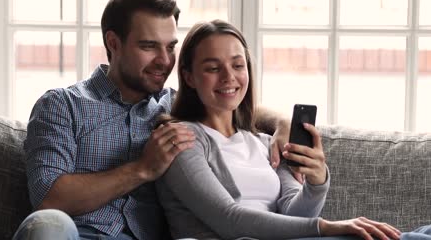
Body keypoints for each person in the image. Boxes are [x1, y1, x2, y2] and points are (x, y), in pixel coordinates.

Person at [12, 0, 291, 240]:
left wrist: (282, 123)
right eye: (148, 46)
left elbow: (230, 98)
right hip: (77, 234)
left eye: (170, 47)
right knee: (48, 223)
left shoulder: (175, 106)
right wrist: (142, 169)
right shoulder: (63, 105)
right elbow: (48, 196)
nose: (164, 60)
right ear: (113, 43)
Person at [155, 19, 431, 240]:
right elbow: (230, 220)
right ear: (189, 77)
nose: (229, 77)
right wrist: (327, 226)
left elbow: (294, 215)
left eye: (238, 65)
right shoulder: (181, 140)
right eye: (213, 68)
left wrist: (317, 182)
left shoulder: (265, 143)